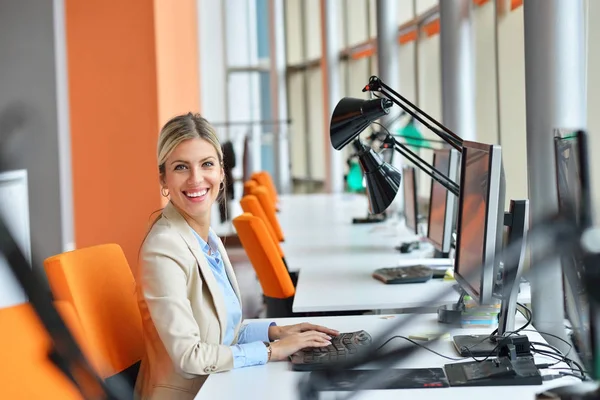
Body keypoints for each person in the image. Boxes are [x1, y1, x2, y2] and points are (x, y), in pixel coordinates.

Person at [134, 113, 339, 400]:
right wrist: (272, 351)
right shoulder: (164, 248)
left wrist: (279, 332)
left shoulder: (208, 239)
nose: (196, 178)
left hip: (219, 385)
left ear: (221, 171)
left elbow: (222, 332)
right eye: (181, 167)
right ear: (163, 179)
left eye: (206, 164)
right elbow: (189, 357)